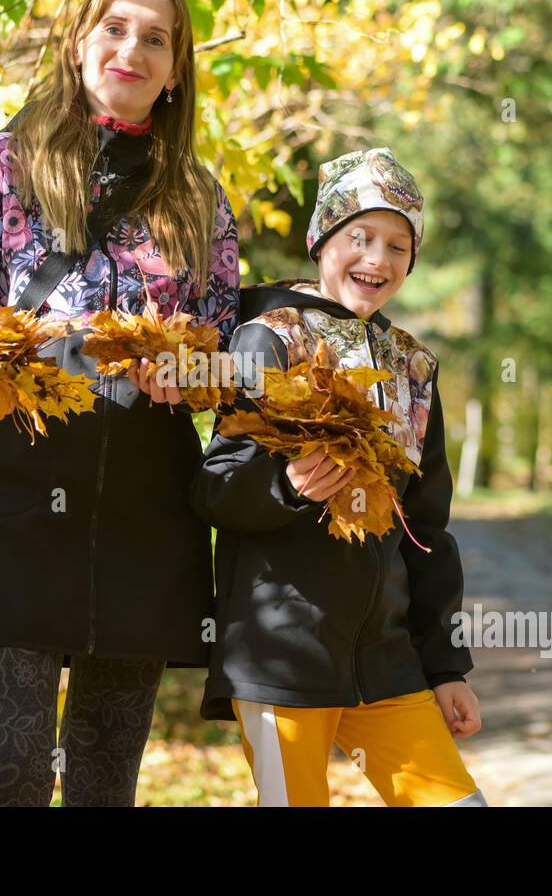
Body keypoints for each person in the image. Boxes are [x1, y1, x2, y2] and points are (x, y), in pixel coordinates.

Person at [0, 0, 240, 806]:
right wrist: (56, 348)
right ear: (78, 44)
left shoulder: (201, 202)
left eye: (156, 38)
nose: (131, 48)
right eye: (114, 28)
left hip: (143, 515)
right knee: (12, 778)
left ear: (177, 71)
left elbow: (222, 358)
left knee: (103, 787)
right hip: (4, 498)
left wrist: (190, 375)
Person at [191, 148, 487, 806]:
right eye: (359, 237)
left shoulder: (414, 368)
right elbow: (216, 487)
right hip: (278, 662)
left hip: (385, 665)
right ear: (321, 238)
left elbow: (428, 527)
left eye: (398, 246)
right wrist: (287, 486)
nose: (377, 261)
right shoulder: (267, 340)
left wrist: (444, 668)